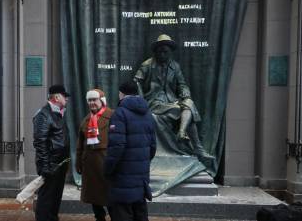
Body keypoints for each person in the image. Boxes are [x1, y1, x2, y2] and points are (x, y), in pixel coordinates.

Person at [134, 34, 214, 165]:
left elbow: (182, 84)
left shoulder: (175, 66)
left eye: (166, 52)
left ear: (170, 52)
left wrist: (185, 94)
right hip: (154, 102)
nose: (163, 54)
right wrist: (141, 103)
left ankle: (182, 133)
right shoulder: (147, 65)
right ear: (156, 51)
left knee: (189, 103)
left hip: (171, 100)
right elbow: (137, 82)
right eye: (161, 51)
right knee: (181, 110)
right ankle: (198, 148)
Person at [104, 81, 156, 221]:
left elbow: (117, 147)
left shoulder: (119, 113)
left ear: (121, 93)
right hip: (140, 179)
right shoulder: (148, 114)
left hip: (122, 180)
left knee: (122, 215)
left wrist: (107, 169)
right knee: (140, 215)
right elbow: (153, 147)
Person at [33, 84, 70, 221]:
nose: (66, 99)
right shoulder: (43, 114)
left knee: (55, 196)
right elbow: (40, 143)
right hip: (51, 165)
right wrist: (45, 167)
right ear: (56, 97)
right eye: (64, 96)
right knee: (47, 197)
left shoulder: (58, 113)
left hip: (60, 164)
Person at [76, 89, 113, 221]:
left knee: (110, 197)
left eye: (94, 100)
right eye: (89, 100)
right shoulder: (85, 120)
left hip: (106, 163)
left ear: (101, 101)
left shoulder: (112, 116)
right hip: (90, 166)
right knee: (94, 196)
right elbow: (80, 145)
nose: (92, 103)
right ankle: (99, 218)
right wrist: (78, 163)